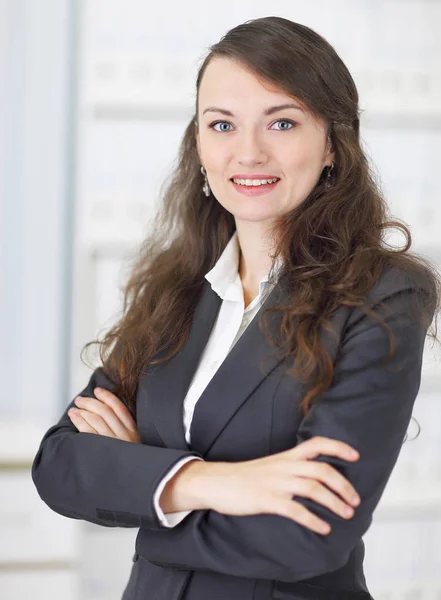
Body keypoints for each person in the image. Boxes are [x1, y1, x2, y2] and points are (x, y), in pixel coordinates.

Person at [32, 16, 440, 600]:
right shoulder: (174, 291)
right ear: (198, 144)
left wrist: (148, 492)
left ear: (332, 144)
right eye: (222, 124)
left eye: (282, 122)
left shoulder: (383, 294)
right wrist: (213, 482)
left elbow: (313, 532)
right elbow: (59, 465)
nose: (248, 152)